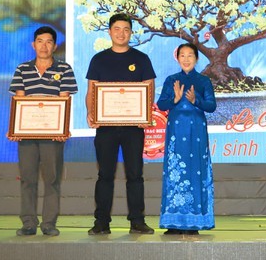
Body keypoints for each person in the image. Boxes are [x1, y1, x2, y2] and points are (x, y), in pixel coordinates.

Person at [85, 13, 156, 235]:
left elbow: (149, 88)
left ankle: (137, 220)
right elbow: (91, 91)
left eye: (126, 29)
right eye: (117, 29)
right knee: (105, 175)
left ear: (131, 32)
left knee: (135, 174)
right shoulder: (99, 59)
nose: (121, 33)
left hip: (133, 127)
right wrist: (91, 112)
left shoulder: (142, 58)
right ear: (109, 31)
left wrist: (145, 114)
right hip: (106, 127)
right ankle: (101, 222)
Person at [8, 26, 78, 236]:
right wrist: (15, 129)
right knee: (28, 179)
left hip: (52, 135)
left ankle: (49, 223)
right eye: (40, 41)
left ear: (55, 46)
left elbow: (65, 101)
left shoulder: (64, 69)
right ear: (33, 44)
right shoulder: (22, 69)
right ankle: (28, 223)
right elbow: (19, 100)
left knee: (52, 179)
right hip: (27, 135)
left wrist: (62, 128)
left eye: (49, 42)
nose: (44, 45)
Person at [156, 43, 216, 235]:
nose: (187, 59)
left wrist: (195, 101)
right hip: (176, 131)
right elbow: (161, 103)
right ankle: (174, 222)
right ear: (178, 58)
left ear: (197, 58)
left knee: (195, 171)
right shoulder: (171, 80)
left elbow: (211, 106)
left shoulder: (204, 81)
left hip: (196, 132)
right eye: (183, 55)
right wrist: (175, 100)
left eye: (191, 55)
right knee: (175, 172)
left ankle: (195, 221)